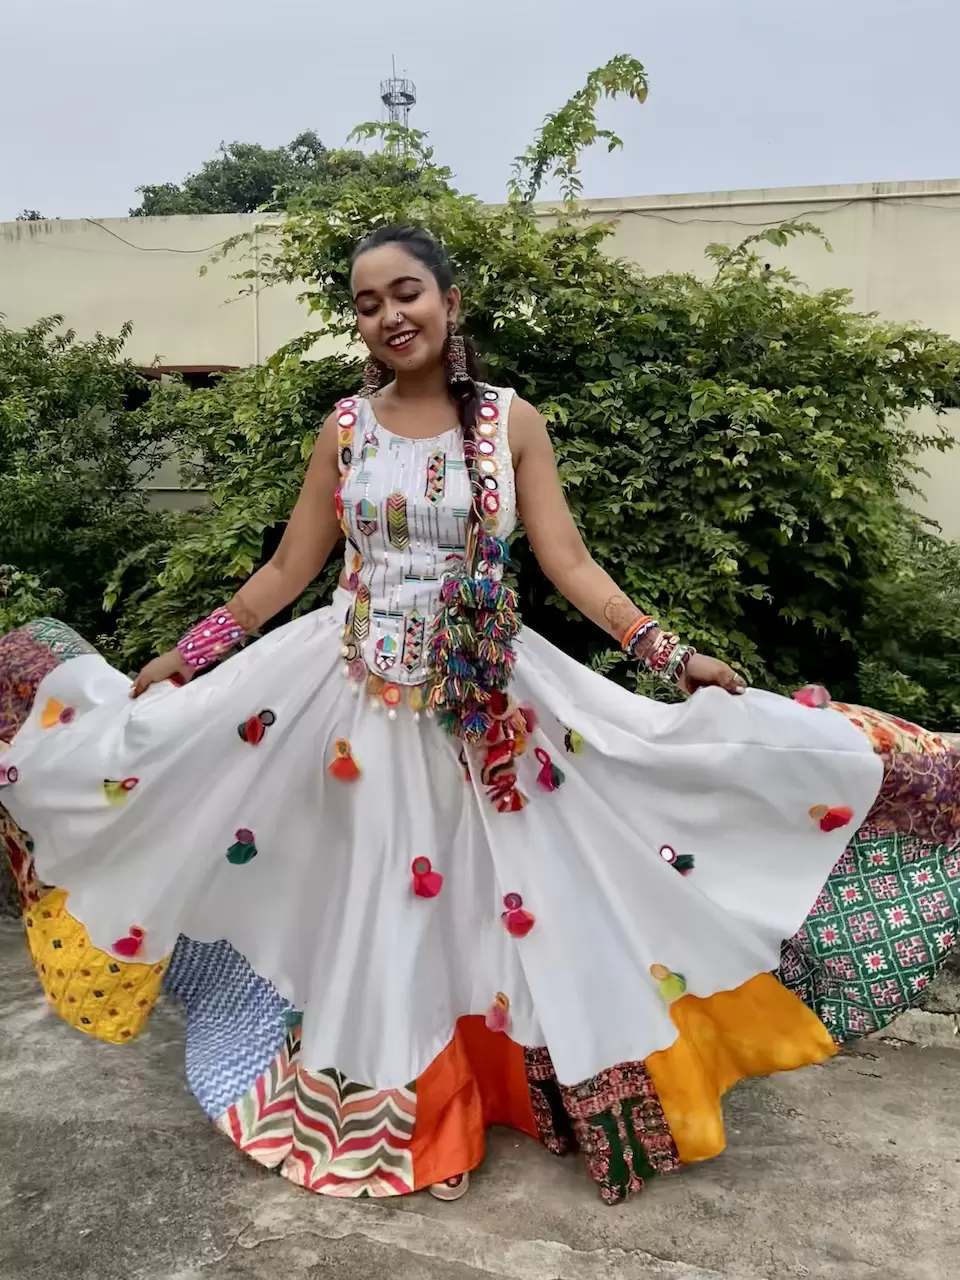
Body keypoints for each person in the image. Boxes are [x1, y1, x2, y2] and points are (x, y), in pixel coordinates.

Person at [1, 225, 957, 1206]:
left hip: (491, 704)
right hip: (354, 705)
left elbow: (570, 564)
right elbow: (289, 569)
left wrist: (669, 654)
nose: (388, 316)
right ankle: (414, 1118)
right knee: (388, 899)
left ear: (451, 303)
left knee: (499, 898)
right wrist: (188, 656)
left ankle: (500, 1088)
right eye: (367, 302)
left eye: (405, 291)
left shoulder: (511, 424)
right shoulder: (345, 427)